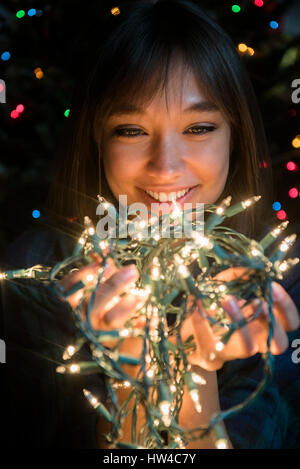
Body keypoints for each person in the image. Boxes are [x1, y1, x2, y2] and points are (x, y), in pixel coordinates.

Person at [1, 0, 300, 449]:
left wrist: (196, 374)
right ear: (96, 138)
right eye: (131, 130)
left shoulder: (280, 280)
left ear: (235, 139)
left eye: (198, 128)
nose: (165, 166)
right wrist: (128, 376)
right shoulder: (36, 274)